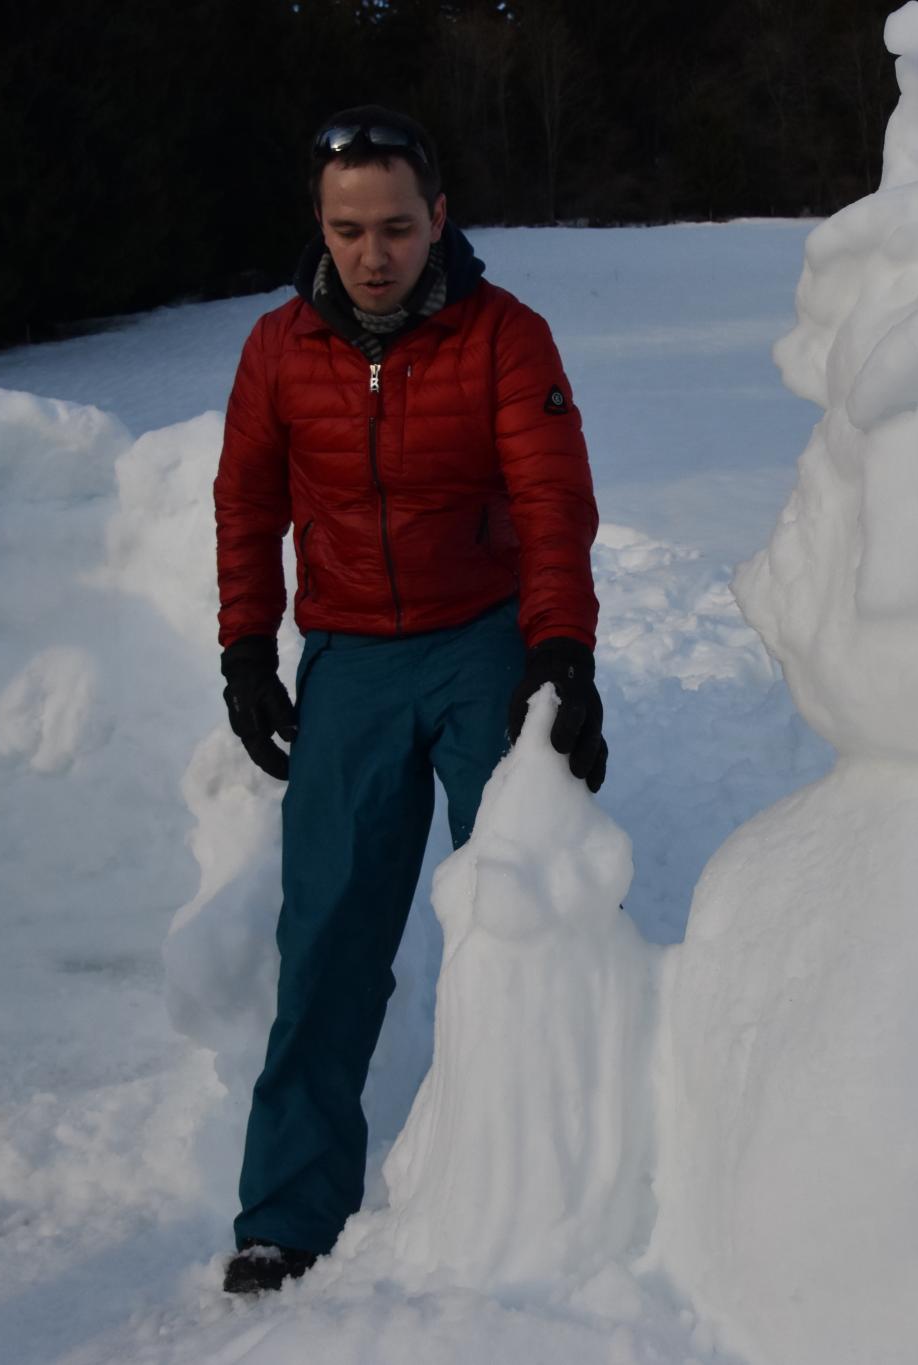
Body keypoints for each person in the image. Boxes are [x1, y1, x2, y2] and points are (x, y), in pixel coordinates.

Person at [212, 105, 606, 1296]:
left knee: (525, 903)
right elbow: (247, 503)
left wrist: (560, 655)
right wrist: (246, 649)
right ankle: (288, 1210)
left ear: (438, 219)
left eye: (394, 227)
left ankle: (548, 1178)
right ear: (319, 227)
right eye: (347, 231)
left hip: (482, 642)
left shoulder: (504, 337)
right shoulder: (278, 349)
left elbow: (551, 502)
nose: (371, 255)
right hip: (352, 658)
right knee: (327, 934)